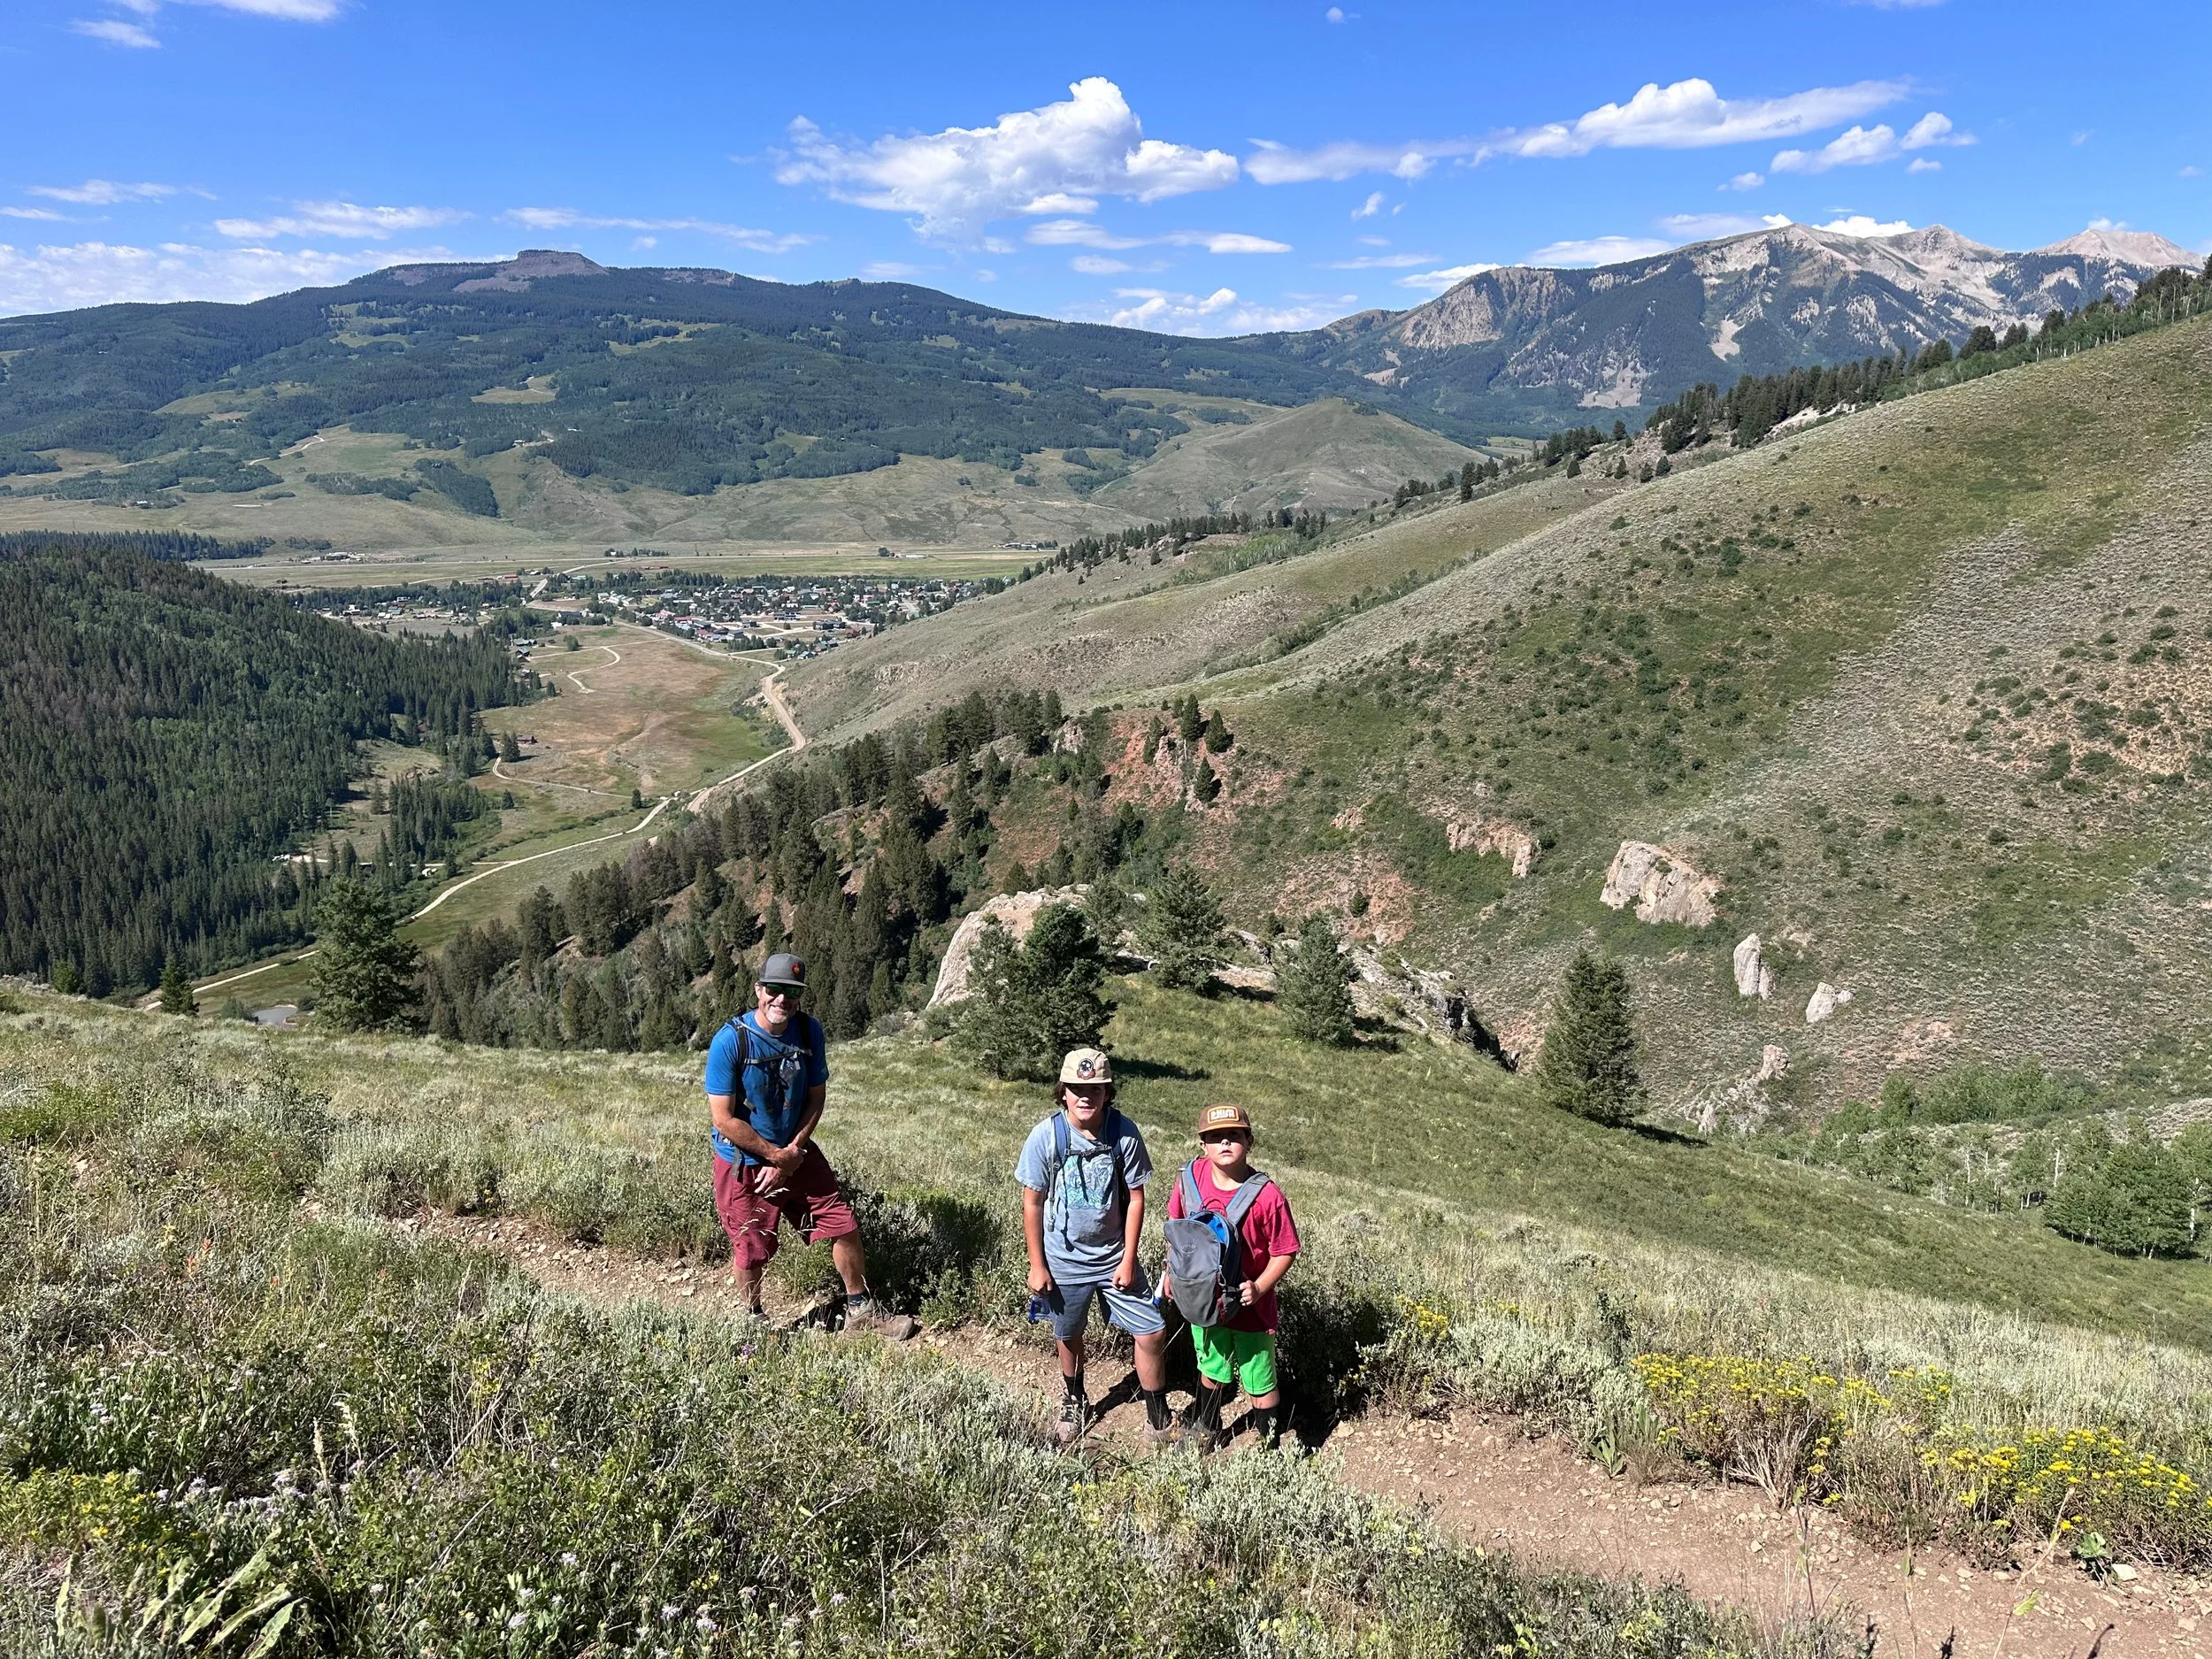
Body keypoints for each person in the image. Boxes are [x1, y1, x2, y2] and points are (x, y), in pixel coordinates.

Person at [704, 952, 911, 1337]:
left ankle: (860, 1310)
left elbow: (816, 1098)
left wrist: (793, 1151)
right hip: (744, 1161)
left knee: (842, 1223)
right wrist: (774, 1156)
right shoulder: (731, 1041)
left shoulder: (808, 1031)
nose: (782, 1000)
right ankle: (754, 1322)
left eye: (792, 993)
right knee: (751, 1245)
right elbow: (723, 1118)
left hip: (795, 1152)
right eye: (775, 990)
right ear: (759, 990)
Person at [1015, 1048, 1175, 1446]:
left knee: (1152, 1330)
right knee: (1067, 1332)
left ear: (1108, 1093)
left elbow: (1136, 1198)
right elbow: (1032, 1201)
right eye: (1076, 1089)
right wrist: (1038, 1265)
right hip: (1063, 1257)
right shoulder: (1045, 1136)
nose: (1085, 1097)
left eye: (1096, 1089)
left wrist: (1129, 1259)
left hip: (1114, 1255)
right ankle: (1074, 1397)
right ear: (1063, 1092)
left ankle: (1158, 1415)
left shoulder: (1124, 1133)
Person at [1164, 1102, 1301, 1449]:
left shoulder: (1267, 1196)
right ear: (1202, 1144)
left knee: (1259, 1380)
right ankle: (1207, 1428)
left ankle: (1269, 1447)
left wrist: (1260, 1287)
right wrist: (1170, 1273)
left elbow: (1284, 1250)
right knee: (1211, 1367)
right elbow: (1179, 1235)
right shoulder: (1188, 1181)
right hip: (1204, 1301)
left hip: (1249, 1307)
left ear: (1249, 1142)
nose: (1225, 1143)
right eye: (1215, 1137)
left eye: (1234, 1136)